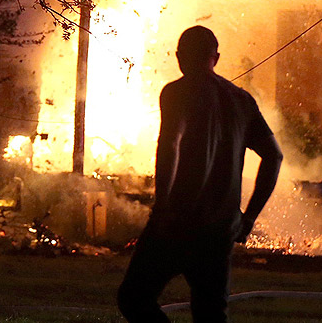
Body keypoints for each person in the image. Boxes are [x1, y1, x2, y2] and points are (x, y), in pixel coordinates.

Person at [118, 26, 283, 323]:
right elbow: (274, 156)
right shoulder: (241, 101)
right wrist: (248, 218)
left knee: (134, 298)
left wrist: (163, 207)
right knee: (210, 315)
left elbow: (169, 146)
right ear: (215, 58)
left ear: (179, 57)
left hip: (177, 221)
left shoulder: (176, 92)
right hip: (220, 228)